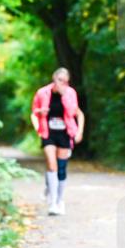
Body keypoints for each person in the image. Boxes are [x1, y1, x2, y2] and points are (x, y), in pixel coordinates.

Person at [31, 68, 84, 215]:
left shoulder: (70, 93)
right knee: (52, 165)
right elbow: (34, 112)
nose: (63, 83)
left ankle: (60, 200)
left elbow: (75, 112)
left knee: (61, 167)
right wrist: (38, 123)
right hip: (48, 133)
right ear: (54, 78)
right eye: (60, 80)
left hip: (65, 133)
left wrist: (79, 132)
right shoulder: (42, 93)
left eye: (66, 81)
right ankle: (53, 203)